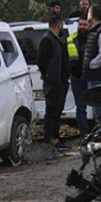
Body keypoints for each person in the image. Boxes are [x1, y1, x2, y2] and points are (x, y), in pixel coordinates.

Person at [37, 15, 70, 150]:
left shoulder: (56, 40)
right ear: (58, 25)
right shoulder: (47, 40)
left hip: (60, 81)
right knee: (52, 109)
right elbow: (41, 61)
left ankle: (54, 137)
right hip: (53, 81)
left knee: (57, 110)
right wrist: (48, 75)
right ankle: (52, 139)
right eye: (62, 25)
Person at [82, 5, 101, 128]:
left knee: (99, 110)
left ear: (92, 15)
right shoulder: (94, 30)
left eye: (89, 13)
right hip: (93, 76)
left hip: (98, 77)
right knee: (97, 111)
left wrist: (91, 64)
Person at [66, 14, 89, 138]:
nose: (82, 27)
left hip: (91, 77)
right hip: (77, 77)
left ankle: (100, 133)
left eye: (85, 25)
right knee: (80, 107)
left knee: (98, 107)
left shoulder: (93, 38)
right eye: (80, 24)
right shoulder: (71, 39)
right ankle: (84, 134)